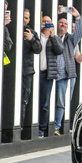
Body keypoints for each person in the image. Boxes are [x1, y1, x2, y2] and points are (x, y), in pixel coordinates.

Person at [53, 6, 82, 135]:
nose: (64, 25)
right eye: (61, 22)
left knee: (61, 102)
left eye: (66, 23)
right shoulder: (52, 36)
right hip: (51, 73)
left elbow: (80, 32)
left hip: (67, 75)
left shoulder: (71, 39)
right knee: (48, 101)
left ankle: (56, 126)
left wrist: (77, 17)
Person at [37, 16, 61, 138]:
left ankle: (42, 129)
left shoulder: (54, 38)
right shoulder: (36, 36)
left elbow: (59, 50)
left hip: (47, 74)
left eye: (48, 22)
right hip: (36, 73)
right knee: (34, 101)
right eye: (44, 22)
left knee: (45, 103)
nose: (46, 24)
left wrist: (52, 36)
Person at [20, 9, 41, 137]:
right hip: (11, 72)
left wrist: (32, 39)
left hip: (27, 72)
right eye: (23, 17)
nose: (25, 20)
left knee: (24, 101)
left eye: (27, 18)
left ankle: (21, 128)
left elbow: (38, 49)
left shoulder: (32, 32)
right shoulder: (11, 28)